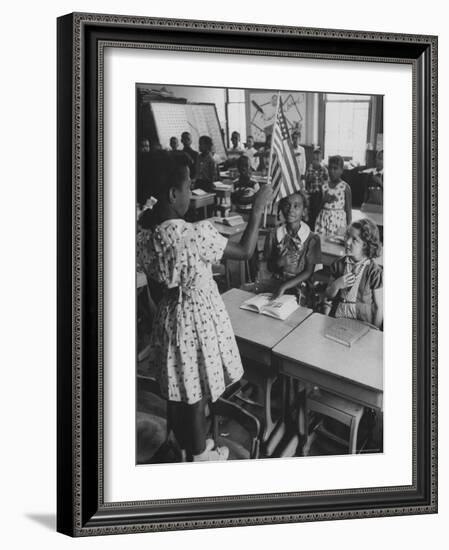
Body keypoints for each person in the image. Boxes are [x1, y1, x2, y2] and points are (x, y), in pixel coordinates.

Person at [137, 153, 273, 461]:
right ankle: (199, 456)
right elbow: (246, 249)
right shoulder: (195, 233)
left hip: (169, 316)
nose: (190, 192)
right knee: (195, 391)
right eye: (188, 186)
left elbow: (157, 283)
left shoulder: (144, 234)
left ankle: (182, 443)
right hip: (196, 322)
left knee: (177, 387)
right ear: (174, 193)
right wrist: (258, 209)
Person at [263, 190, 322, 303]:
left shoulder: (312, 239)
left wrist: (284, 286)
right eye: (287, 205)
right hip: (275, 284)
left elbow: (308, 272)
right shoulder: (273, 235)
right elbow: (269, 267)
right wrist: (279, 262)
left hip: (300, 289)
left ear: (304, 211)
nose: (291, 210)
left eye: (296, 206)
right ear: (281, 207)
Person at [325, 218, 383, 328]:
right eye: (347, 236)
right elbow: (328, 294)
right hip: (337, 320)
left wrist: (374, 333)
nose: (347, 241)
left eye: (354, 240)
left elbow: (379, 308)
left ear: (366, 245)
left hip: (362, 323)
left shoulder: (374, 272)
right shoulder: (338, 264)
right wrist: (336, 285)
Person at [314, 155, 352, 236]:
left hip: (338, 222)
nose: (332, 171)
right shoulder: (323, 186)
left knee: (336, 245)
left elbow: (348, 210)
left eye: (335, 168)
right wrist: (324, 200)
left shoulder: (345, 187)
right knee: (321, 244)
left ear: (341, 170)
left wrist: (349, 228)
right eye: (330, 168)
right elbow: (317, 208)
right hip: (323, 221)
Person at [305, 148, 328, 229]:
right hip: (311, 193)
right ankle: (310, 226)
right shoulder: (310, 169)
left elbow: (326, 182)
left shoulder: (324, 169)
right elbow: (307, 181)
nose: (316, 161)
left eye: (318, 159)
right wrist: (310, 178)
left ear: (321, 159)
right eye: (314, 159)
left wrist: (323, 181)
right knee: (311, 212)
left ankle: (318, 226)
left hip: (320, 194)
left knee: (319, 210)